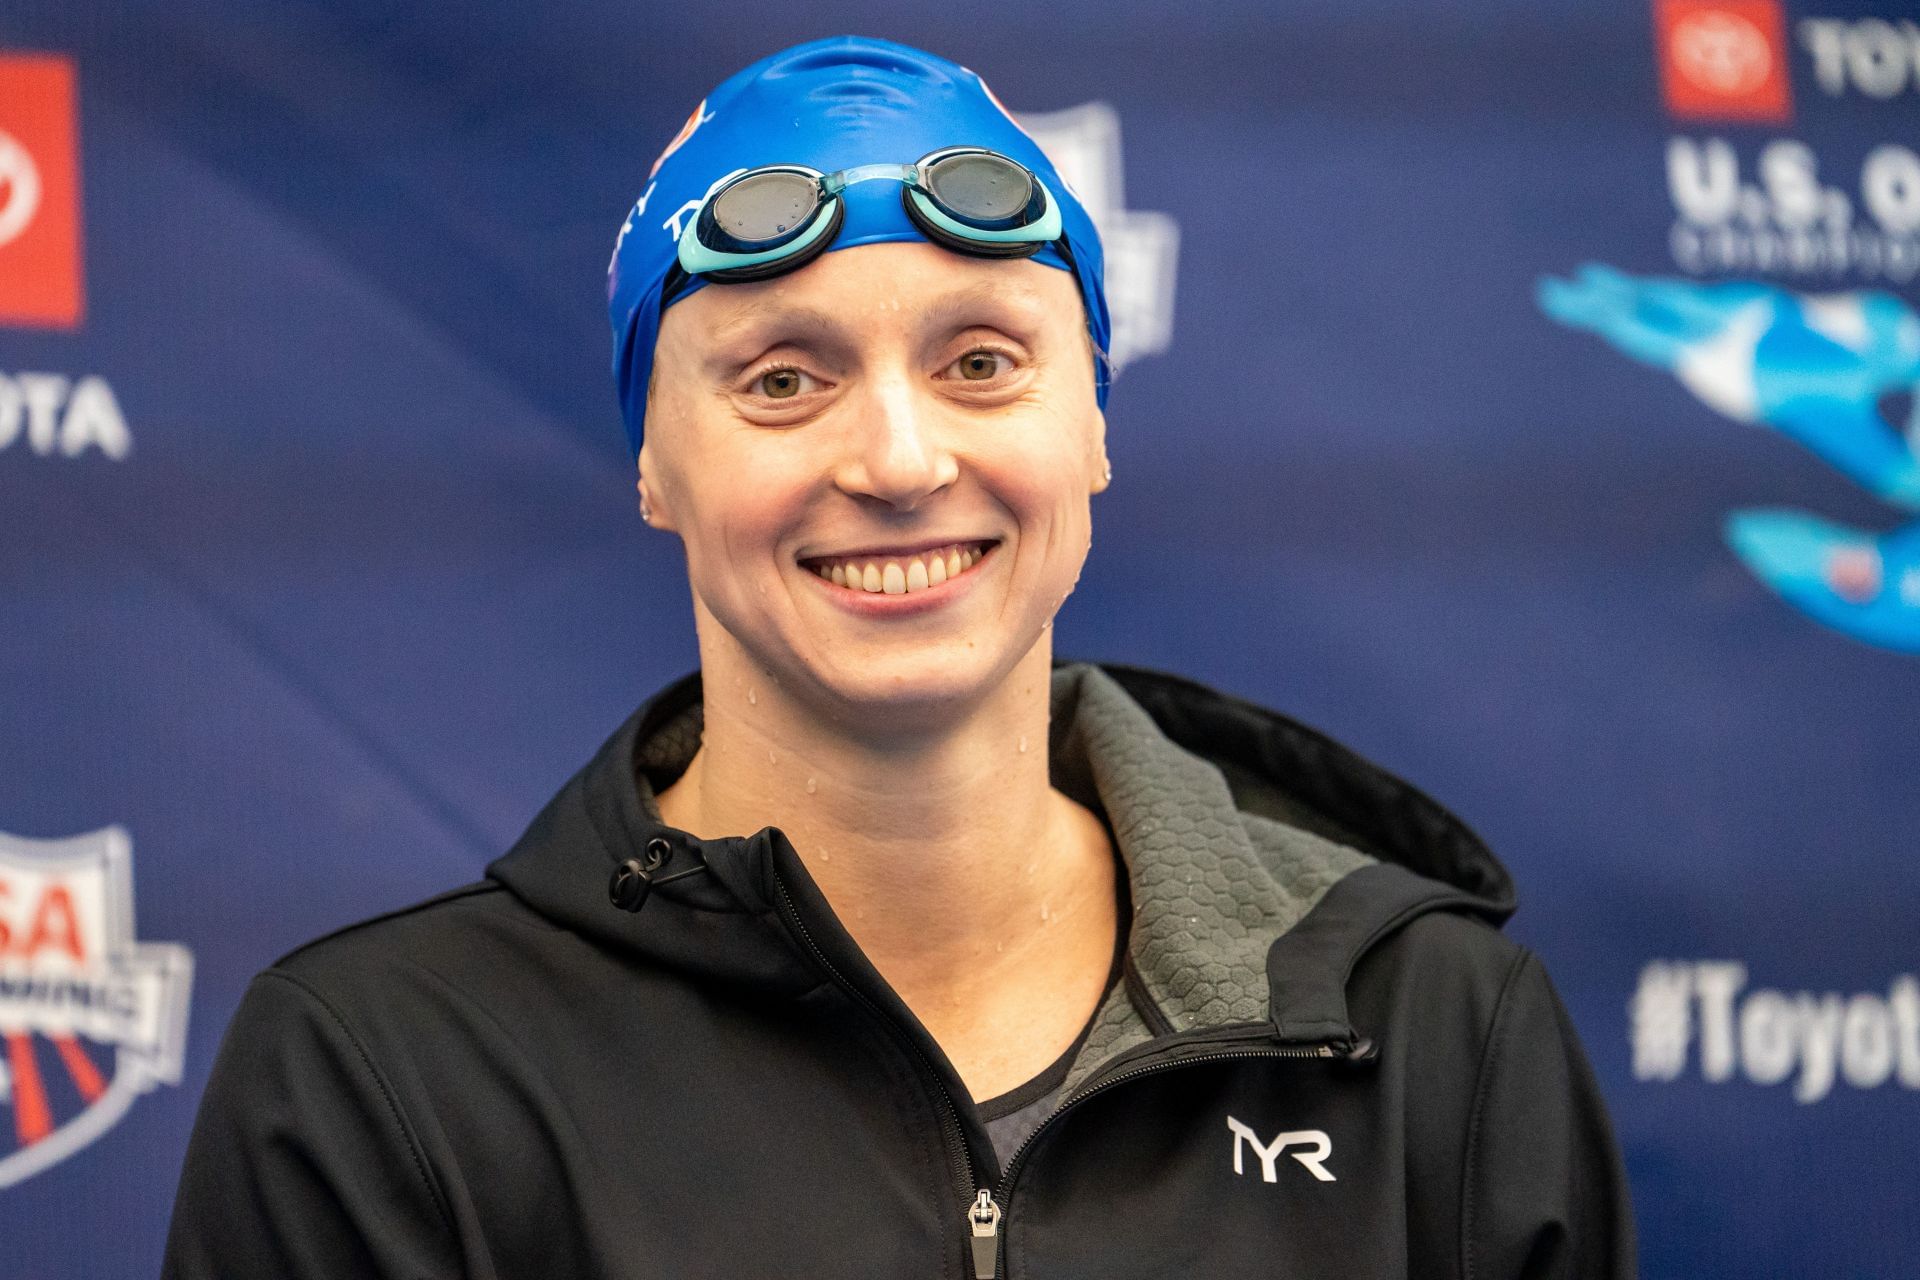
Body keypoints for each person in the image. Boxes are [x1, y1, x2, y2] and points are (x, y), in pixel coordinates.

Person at [163, 34, 1636, 1280]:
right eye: (782, 379)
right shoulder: (386, 1082)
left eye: (980, 361)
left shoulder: (1435, 1037)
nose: (898, 456)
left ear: (1095, 426)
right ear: (652, 466)